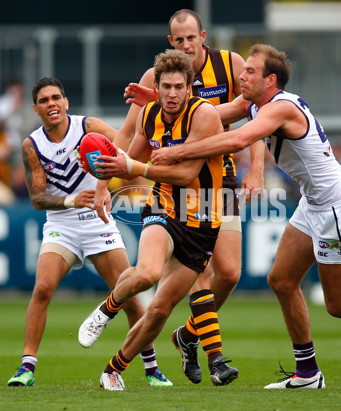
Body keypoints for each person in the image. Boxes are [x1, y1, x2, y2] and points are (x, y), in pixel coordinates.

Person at [150, 44, 341, 389]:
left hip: (337, 209)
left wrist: (178, 150)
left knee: (340, 304)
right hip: (314, 204)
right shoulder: (256, 103)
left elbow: (238, 139)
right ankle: (307, 372)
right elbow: (213, 115)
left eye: (250, 71)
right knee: (280, 280)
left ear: (271, 79)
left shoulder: (280, 108)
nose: (241, 75)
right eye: (242, 69)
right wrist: (164, 104)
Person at [113, 9, 265, 385]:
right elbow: (134, 130)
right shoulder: (157, 76)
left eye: (190, 38)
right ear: (170, 42)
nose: (185, 45)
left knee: (229, 273)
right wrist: (106, 178)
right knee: (201, 272)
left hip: (221, 180)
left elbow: (254, 111)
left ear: (203, 36)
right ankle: (214, 359)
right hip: (175, 185)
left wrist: (257, 168)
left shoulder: (231, 64)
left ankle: (186, 336)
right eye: (178, 40)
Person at [77, 50, 239, 391]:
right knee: (148, 272)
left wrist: (133, 169)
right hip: (164, 205)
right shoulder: (149, 114)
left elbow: (185, 173)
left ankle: (113, 369)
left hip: (205, 218)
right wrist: (101, 176)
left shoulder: (204, 116)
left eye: (179, 86)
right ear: (158, 86)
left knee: (160, 310)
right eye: (165, 86)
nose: (171, 94)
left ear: (190, 87)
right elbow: (128, 156)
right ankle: (106, 312)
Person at [6, 77, 171, 388]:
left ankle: (152, 369)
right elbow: (37, 199)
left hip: (98, 222)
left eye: (56, 97)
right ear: (36, 109)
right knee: (42, 288)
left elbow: (124, 147)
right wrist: (72, 199)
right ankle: (26, 367)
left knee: (132, 298)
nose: (51, 103)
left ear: (66, 102)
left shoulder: (88, 127)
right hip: (61, 225)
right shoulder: (33, 145)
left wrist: (113, 181)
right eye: (44, 100)